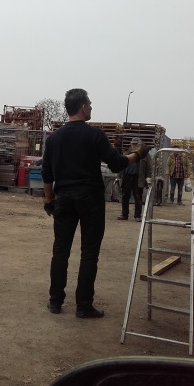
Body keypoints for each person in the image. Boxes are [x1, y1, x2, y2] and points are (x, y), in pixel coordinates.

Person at [42, 89, 149, 318]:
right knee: (89, 253)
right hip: (90, 200)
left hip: (64, 199)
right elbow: (117, 164)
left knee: (60, 251)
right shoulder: (95, 135)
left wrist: (49, 200)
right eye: (89, 104)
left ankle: (55, 301)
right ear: (83, 107)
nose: (91, 107)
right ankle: (83, 306)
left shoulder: (54, 138)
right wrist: (138, 155)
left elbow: (47, 174)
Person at [116, 137, 152, 222]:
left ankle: (137, 216)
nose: (134, 146)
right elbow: (121, 165)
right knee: (125, 196)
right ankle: (124, 214)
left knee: (138, 197)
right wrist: (118, 177)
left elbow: (149, 167)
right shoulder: (127, 153)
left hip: (138, 178)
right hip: (127, 177)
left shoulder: (145, 155)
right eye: (132, 144)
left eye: (135, 144)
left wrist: (148, 177)